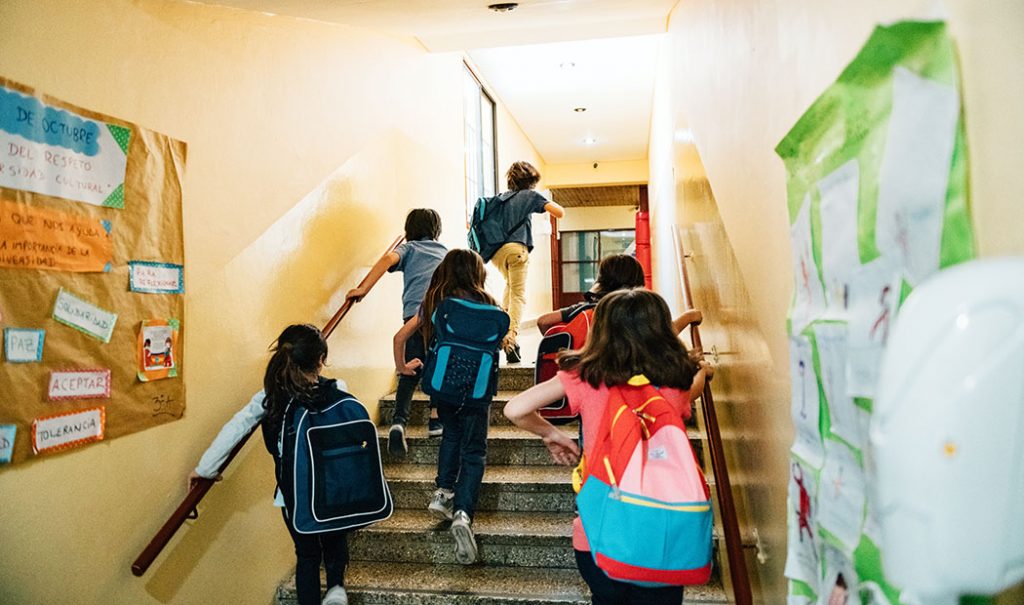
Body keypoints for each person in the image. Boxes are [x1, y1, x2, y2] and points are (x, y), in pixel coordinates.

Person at [504, 289, 714, 605]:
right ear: (659, 331)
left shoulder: (585, 376)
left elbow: (515, 409)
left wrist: (553, 435)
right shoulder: (676, 379)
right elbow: (694, 388)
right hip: (662, 533)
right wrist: (707, 372)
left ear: (602, 330)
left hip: (598, 534)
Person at [188, 324, 352, 605]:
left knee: (307, 554)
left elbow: (235, 428)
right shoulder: (337, 389)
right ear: (321, 360)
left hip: (293, 493)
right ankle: (336, 586)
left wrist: (205, 469)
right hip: (332, 488)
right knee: (335, 541)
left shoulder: (269, 397)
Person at [392, 249, 505, 565]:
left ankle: (443, 492)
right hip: (477, 390)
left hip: (443, 387)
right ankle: (464, 514)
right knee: (475, 452)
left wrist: (403, 367)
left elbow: (400, 337)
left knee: (451, 437)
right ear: (477, 273)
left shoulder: (434, 301)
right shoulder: (489, 304)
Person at [346, 209, 447, 456]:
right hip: (438, 314)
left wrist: (363, 289)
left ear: (409, 229)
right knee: (437, 366)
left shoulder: (408, 248)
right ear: (436, 229)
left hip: (412, 316)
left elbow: (385, 260)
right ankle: (435, 421)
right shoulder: (444, 251)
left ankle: (399, 422)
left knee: (409, 370)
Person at [488, 161, 565, 363]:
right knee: (519, 296)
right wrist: (543, 199)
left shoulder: (500, 199)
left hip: (496, 253)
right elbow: (559, 212)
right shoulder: (529, 196)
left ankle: (501, 328)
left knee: (510, 289)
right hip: (516, 250)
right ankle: (510, 338)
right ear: (530, 181)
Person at [536, 254, 703, 335]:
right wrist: (689, 317)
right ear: (637, 278)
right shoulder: (642, 309)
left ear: (602, 279)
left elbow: (543, 321)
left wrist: (566, 343)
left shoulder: (588, 308)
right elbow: (666, 333)